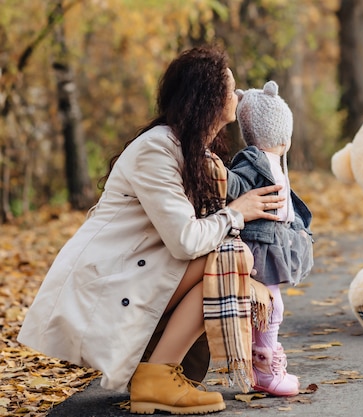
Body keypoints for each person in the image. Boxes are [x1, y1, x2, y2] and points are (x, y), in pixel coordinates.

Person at [17, 45, 286, 415]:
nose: (237, 96)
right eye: (230, 88)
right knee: (227, 255)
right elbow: (186, 240)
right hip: (109, 287)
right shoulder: (156, 150)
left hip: (141, 281)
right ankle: (156, 376)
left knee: (231, 255)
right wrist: (237, 213)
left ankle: (160, 372)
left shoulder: (193, 153)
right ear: (207, 98)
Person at [226, 80, 314, 396]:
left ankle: (259, 365)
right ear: (280, 134)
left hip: (271, 241)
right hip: (258, 244)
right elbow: (232, 183)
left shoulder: (272, 161)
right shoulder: (254, 159)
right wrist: (221, 177)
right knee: (269, 305)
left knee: (269, 304)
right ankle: (264, 369)